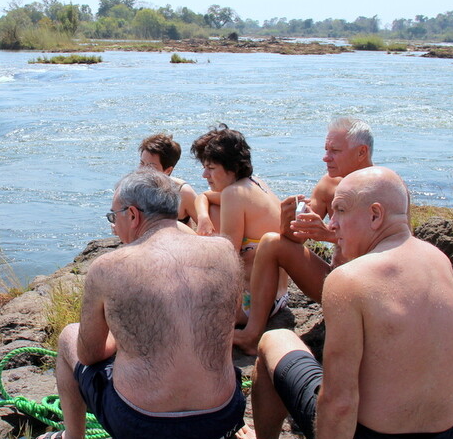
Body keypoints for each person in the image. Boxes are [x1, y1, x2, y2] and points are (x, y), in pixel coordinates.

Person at [240, 167, 453, 439]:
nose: (333, 224)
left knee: (275, 338)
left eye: (341, 210)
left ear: (375, 214)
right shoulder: (438, 260)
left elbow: (339, 397)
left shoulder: (349, 280)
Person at [33, 168, 245, 439]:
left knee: (70, 334)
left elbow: (90, 355)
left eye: (113, 216)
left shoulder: (108, 267)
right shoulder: (224, 251)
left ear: (133, 215)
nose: (112, 227)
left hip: (142, 428)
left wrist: (127, 337)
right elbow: (232, 319)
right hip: (222, 419)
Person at [233, 117, 374, 354]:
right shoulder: (329, 185)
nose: (326, 157)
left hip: (369, 289)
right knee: (271, 242)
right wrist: (287, 220)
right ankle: (251, 335)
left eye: (335, 151)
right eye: (326, 150)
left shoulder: (384, 189)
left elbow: (393, 251)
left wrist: (329, 237)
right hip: (333, 282)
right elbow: (294, 238)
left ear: (362, 152)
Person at [190, 125, 289, 325]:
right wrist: (202, 217)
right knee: (212, 211)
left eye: (210, 169)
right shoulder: (254, 183)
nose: (204, 176)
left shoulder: (233, 194)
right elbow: (204, 197)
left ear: (232, 168)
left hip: (252, 306)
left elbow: (228, 261)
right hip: (278, 298)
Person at [139, 133, 199, 227]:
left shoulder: (182, 192)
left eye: (151, 166)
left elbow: (209, 229)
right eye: (142, 163)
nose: (143, 170)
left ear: (168, 170)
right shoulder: (135, 189)